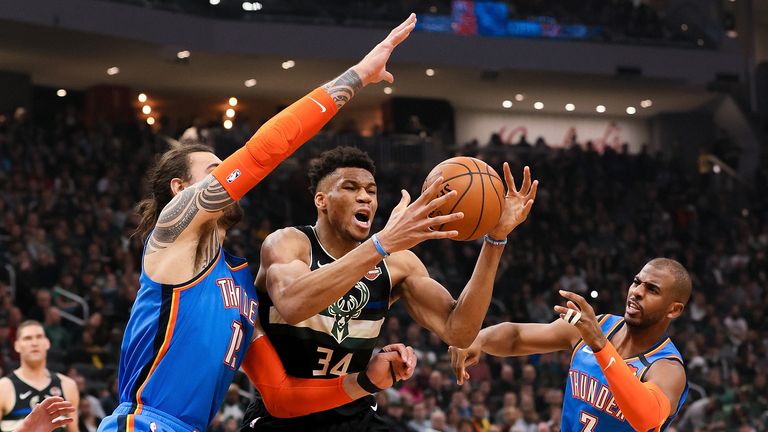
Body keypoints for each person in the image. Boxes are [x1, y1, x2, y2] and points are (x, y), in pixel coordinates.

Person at [97, 13, 420, 432]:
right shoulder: (171, 233)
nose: (227, 175)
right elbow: (263, 151)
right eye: (214, 169)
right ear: (180, 188)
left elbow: (282, 398)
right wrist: (357, 76)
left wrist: (365, 381)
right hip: (143, 423)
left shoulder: (242, 286)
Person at [241, 146, 538, 430]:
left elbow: (459, 330)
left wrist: (495, 240)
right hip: (283, 416)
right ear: (322, 200)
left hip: (355, 413)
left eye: (371, 191)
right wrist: (381, 244)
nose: (365, 198)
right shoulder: (290, 243)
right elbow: (293, 305)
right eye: (350, 188)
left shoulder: (397, 264)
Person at [450, 258, 692, 432]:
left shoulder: (667, 368)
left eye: (652, 290)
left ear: (674, 309)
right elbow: (517, 336)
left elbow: (645, 417)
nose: (637, 292)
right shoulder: (600, 325)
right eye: (637, 282)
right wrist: (478, 340)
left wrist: (599, 345)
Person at [0, 321, 79, 432]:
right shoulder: (3, 387)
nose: (34, 343)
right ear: (17, 346)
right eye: (28, 338)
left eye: (39, 337)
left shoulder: (67, 385)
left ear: (47, 343)